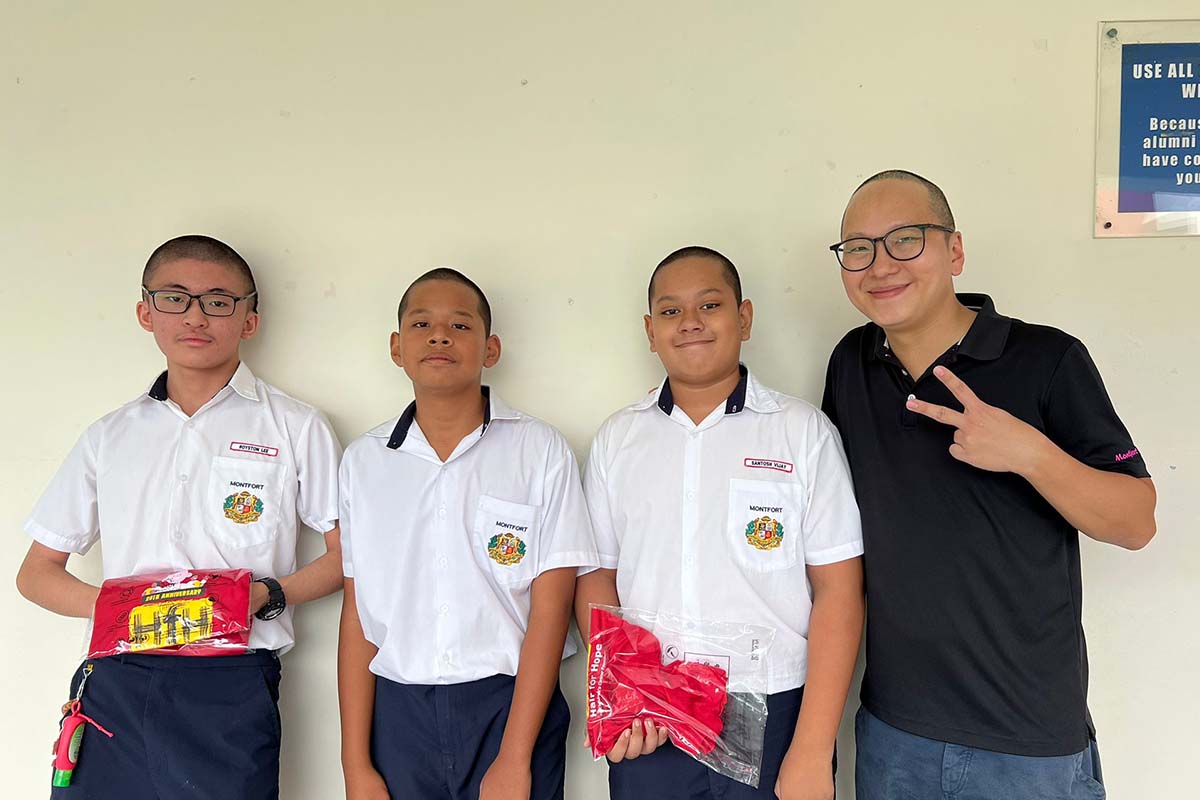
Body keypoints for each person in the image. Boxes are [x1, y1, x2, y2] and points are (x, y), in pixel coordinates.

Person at [822, 170, 1157, 800]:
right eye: (858, 248)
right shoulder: (851, 364)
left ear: (954, 250)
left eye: (905, 239)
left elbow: (1137, 521)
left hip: (1026, 743)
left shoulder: (1046, 359)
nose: (879, 265)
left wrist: (1029, 452)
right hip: (895, 732)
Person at [17, 234, 345, 799]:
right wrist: (125, 610)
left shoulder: (296, 426)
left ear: (250, 320)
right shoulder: (109, 436)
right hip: (118, 679)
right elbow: (36, 573)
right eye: (175, 297)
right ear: (146, 312)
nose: (196, 315)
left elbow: (349, 558)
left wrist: (265, 593)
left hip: (232, 681)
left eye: (219, 300)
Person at [576, 247, 865, 800]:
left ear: (745, 317)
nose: (690, 322)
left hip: (775, 710)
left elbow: (840, 592)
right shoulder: (619, 439)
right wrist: (622, 690)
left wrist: (809, 751)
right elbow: (596, 578)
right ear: (650, 330)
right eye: (670, 311)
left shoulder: (801, 433)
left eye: (710, 304)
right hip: (651, 716)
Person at [337, 267, 599, 800]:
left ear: (491, 348)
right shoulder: (364, 462)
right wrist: (355, 765)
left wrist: (515, 755)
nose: (439, 336)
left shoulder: (539, 450)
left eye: (459, 325)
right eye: (422, 324)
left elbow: (552, 608)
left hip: (511, 705)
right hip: (399, 714)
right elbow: (356, 614)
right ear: (396, 346)